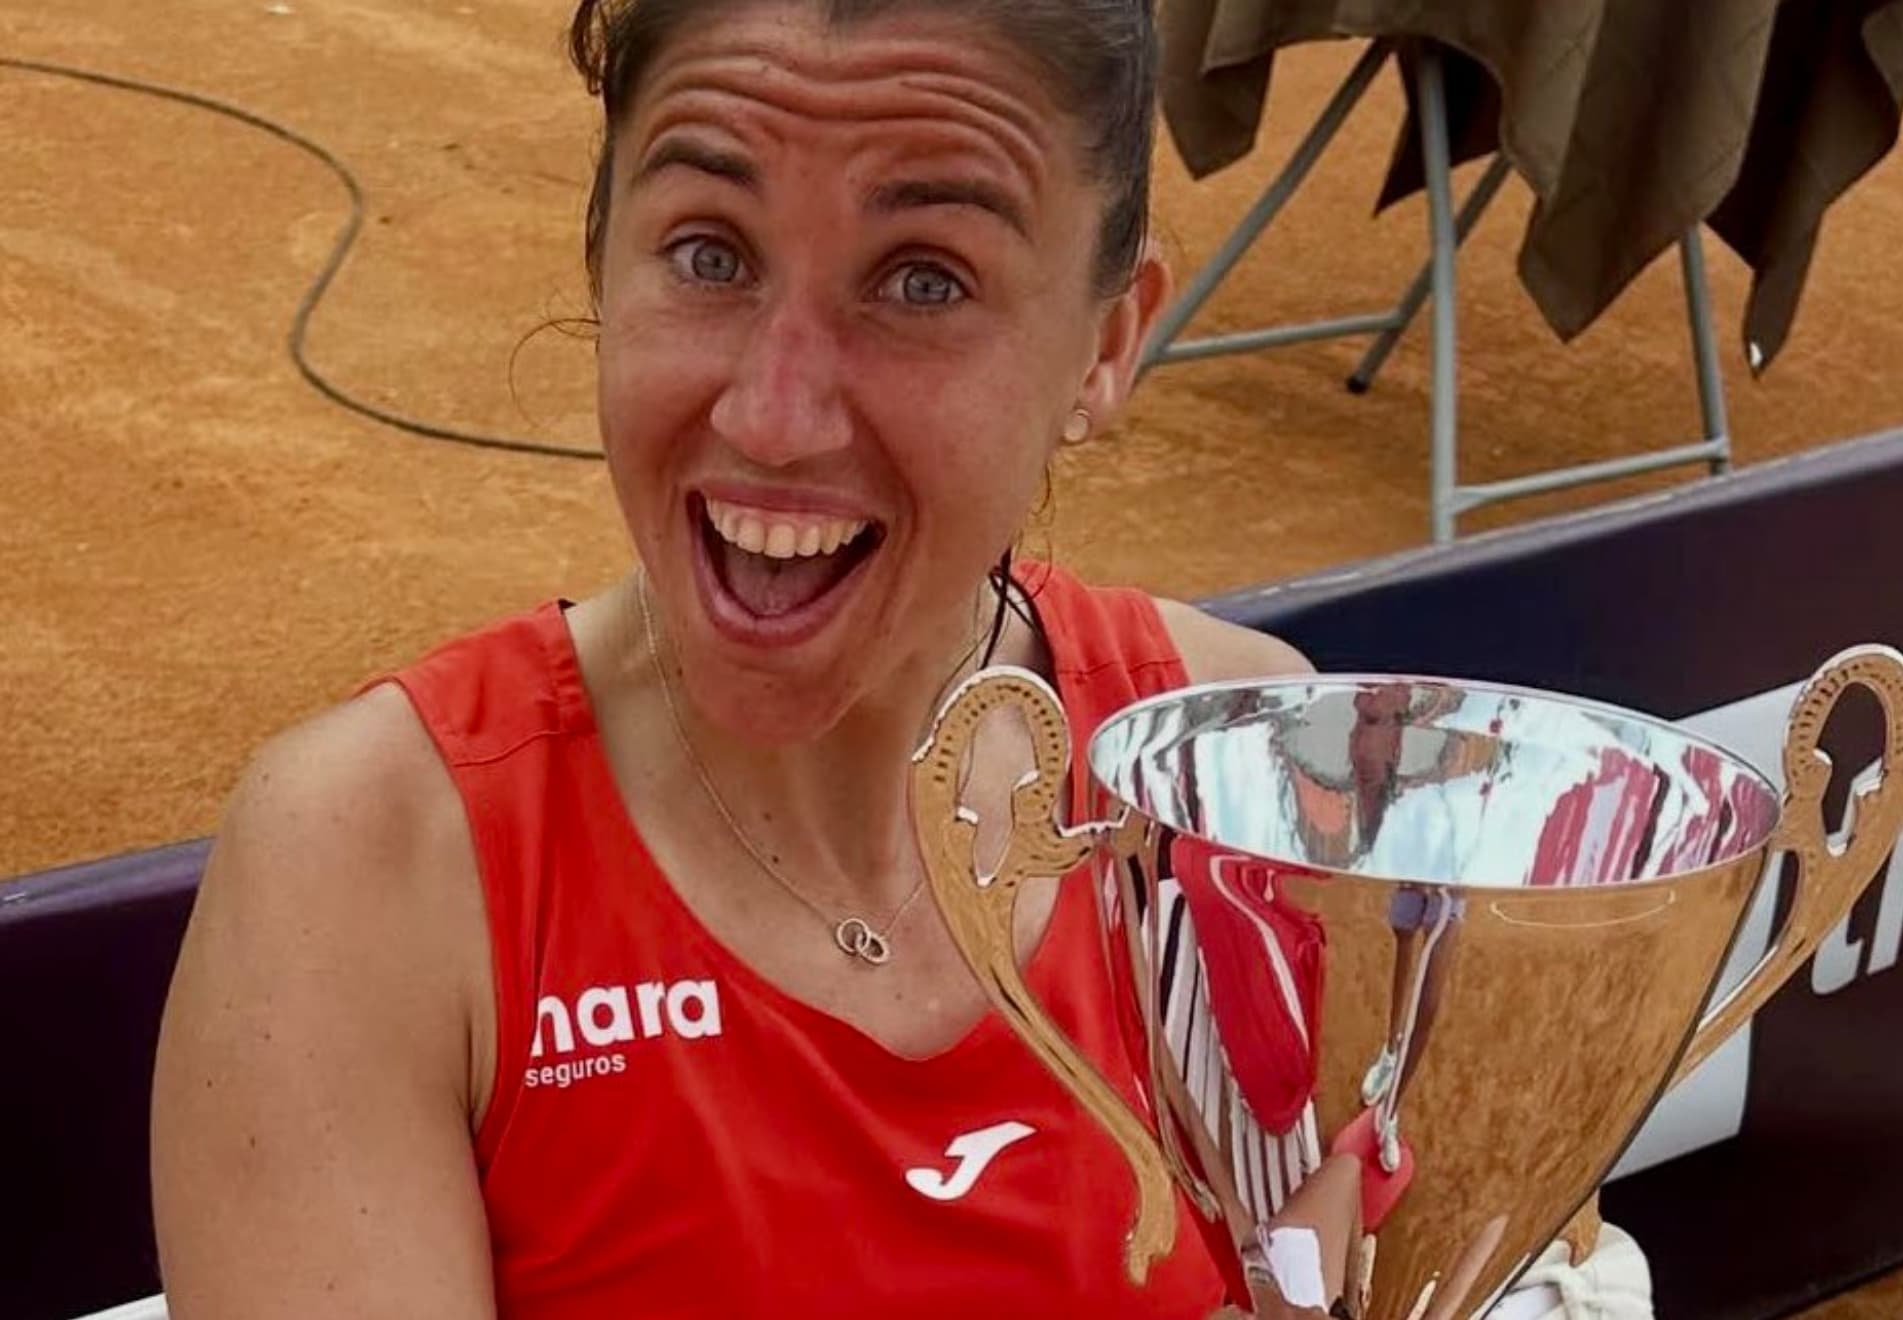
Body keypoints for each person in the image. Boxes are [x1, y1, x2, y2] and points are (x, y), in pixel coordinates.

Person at [149, 2, 1316, 1316]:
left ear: (1105, 347)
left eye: (923, 278)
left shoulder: (1242, 775)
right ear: (602, 259)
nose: (773, 414)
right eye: (709, 255)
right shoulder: (370, 874)